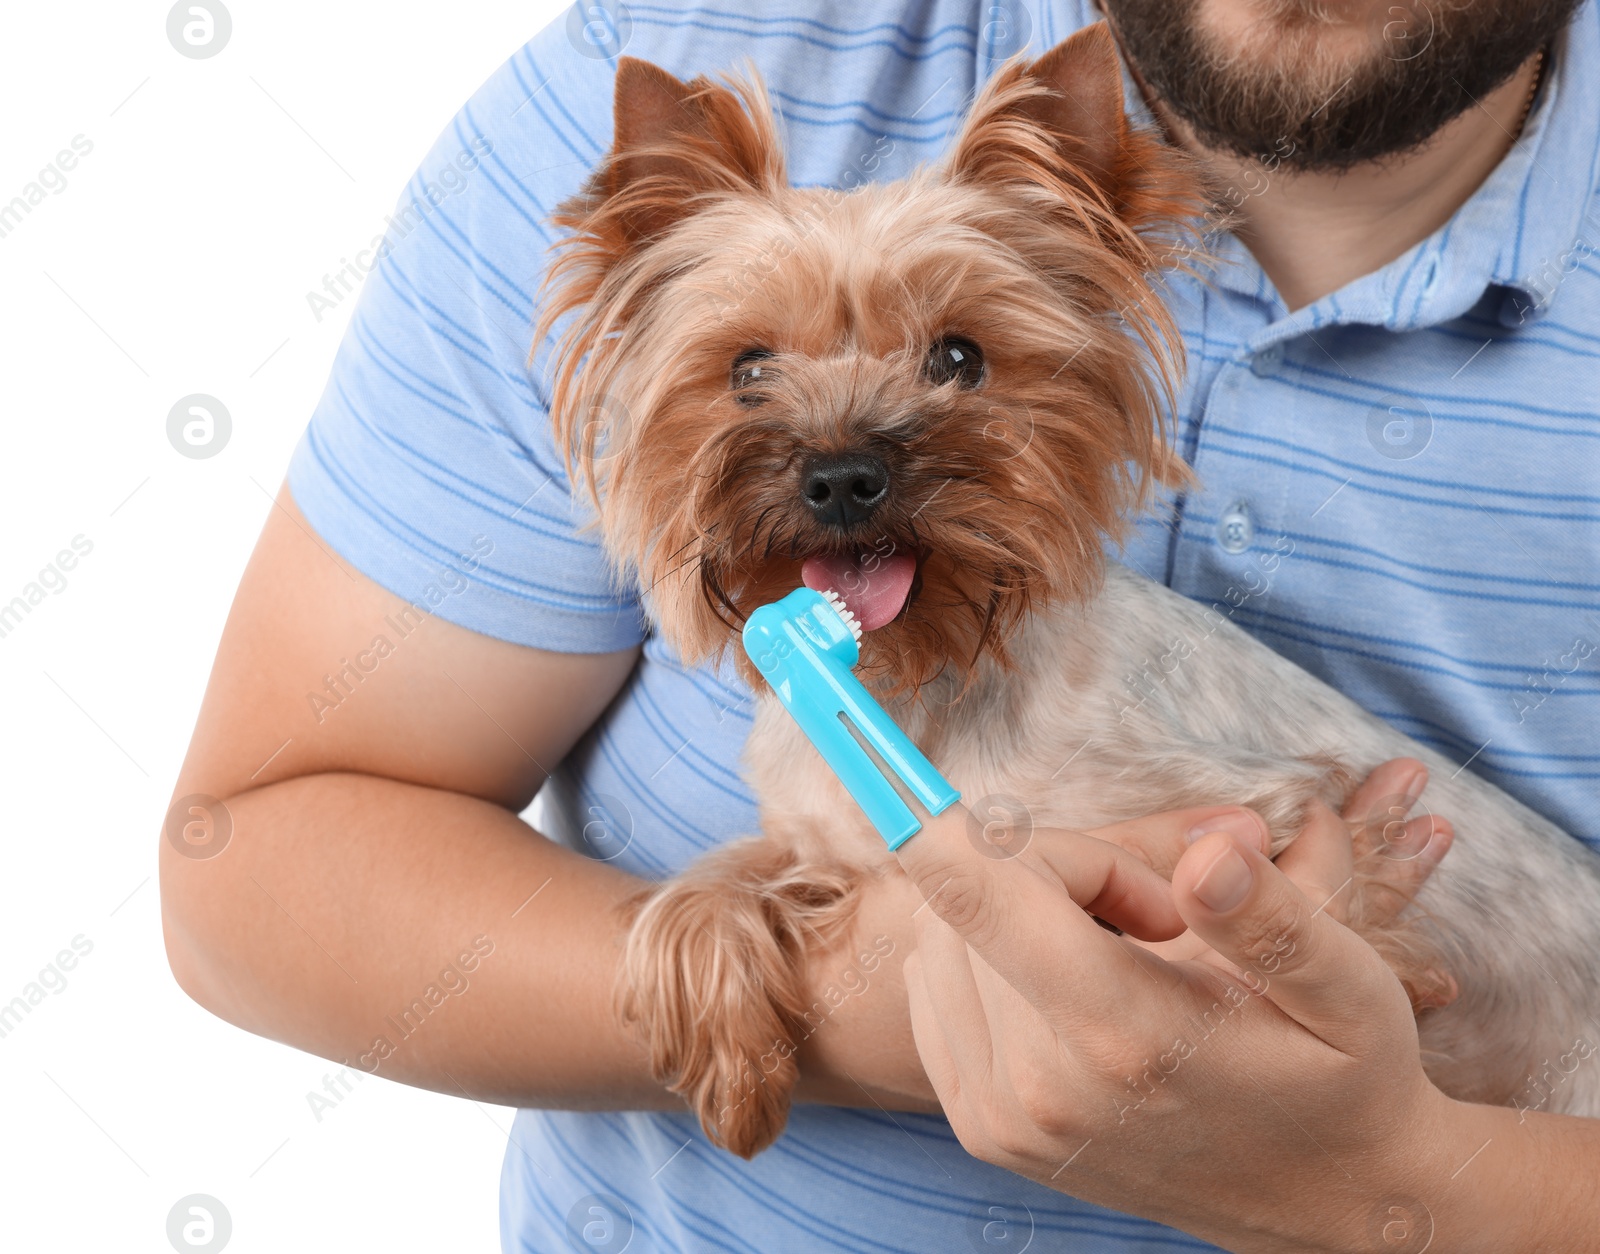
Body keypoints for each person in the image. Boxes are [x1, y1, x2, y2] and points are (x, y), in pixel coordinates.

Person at [159, 1, 1600, 1250]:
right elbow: (249, 857)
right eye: (751, 372)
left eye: (956, 361)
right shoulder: (686, 37)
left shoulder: (1094, 697)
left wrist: (1418, 1191)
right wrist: (848, 1000)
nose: (845, 460)